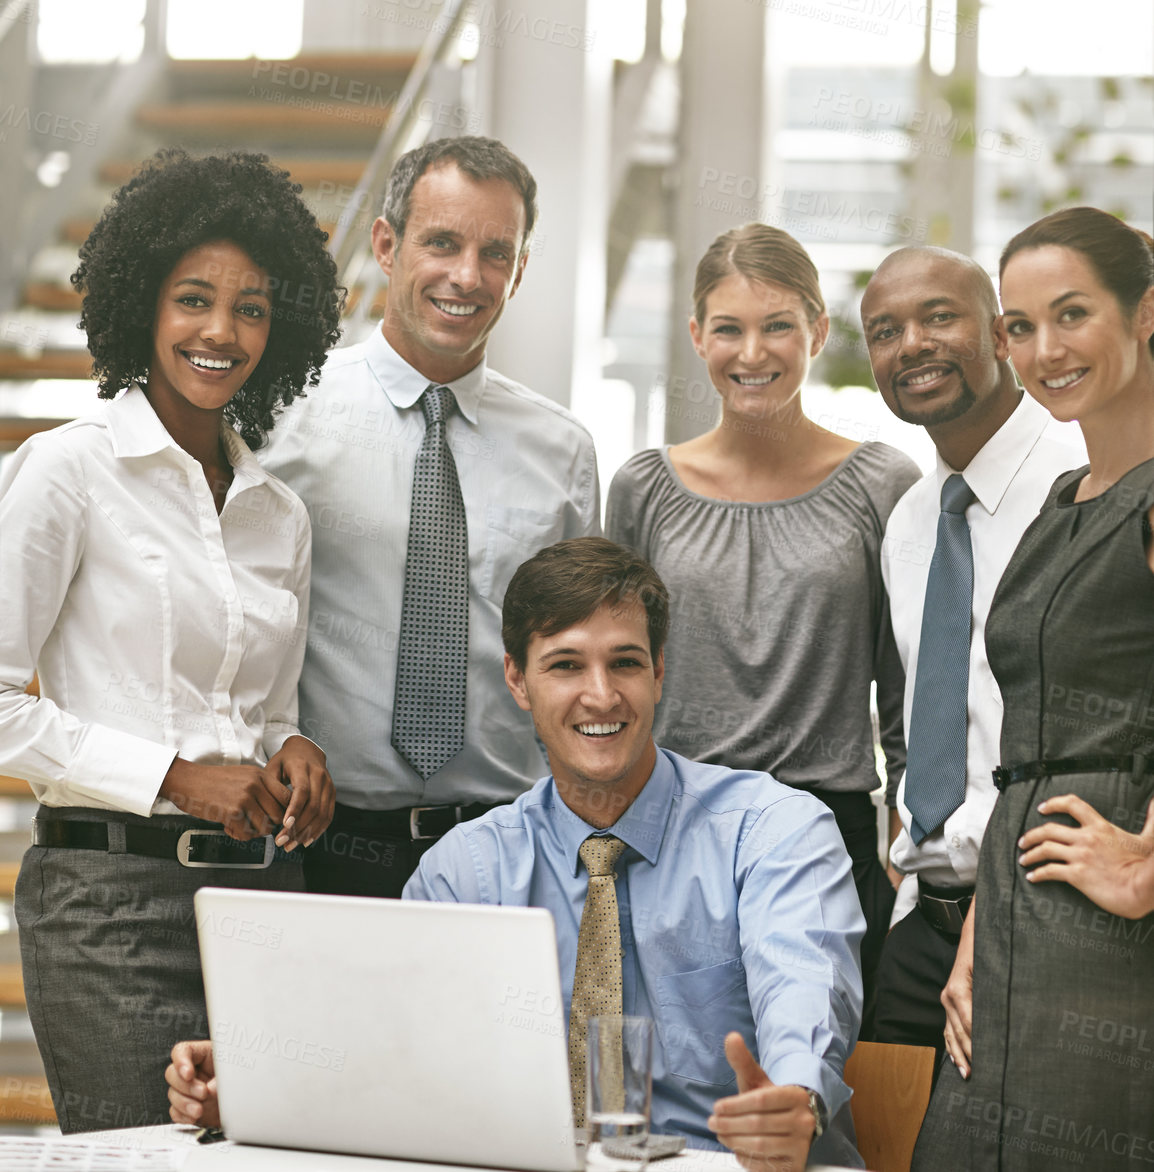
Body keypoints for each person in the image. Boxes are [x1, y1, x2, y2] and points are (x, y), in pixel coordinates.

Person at [167, 536, 866, 1171]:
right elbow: (401, 1059)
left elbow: (805, 981)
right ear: (517, 680)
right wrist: (260, 1087)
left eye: (625, 661)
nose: (601, 694)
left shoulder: (774, 829)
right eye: (566, 665)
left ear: (658, 671)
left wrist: (796, 1096)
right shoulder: (464, 869)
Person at [0, 149, 340, 1133]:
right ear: (142, 303)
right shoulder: (66, 473)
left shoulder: (280, 514)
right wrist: (175, 776)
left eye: (251, 309)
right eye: (194, 298)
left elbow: (262, 711)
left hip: (263, 897)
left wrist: (292, 749)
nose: (220, 332)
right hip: (109, 909)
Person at [262, 136, 599, 898]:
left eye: (495, 253)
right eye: (442, 243)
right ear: (387, 245)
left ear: (517, 272)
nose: (466, 276)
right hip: (323, 846)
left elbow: (575, 658)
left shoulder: (564, 452)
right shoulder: (284, 416)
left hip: (507, 853)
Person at [606, 223, 919, 1013]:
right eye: (729, 329)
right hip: (675, 827)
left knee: (812, 1078)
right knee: (675, 1075)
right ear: (695, 336)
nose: (754, 352)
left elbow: (907, 682)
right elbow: (609, 678)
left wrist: (907, 833)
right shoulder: (644, 488)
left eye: (778, 325)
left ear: (816, 329)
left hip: (830, 830)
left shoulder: (883, 483)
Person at [912, 208, 1154, 1171]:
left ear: (1145, 314)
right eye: (1019, 326)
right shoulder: (1065, 504)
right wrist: (980, 929)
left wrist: (1146, 867)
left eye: (1072, 315)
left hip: (1115, 944)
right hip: (1015, 925)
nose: (1044, 350)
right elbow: (1027, 751)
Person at [859, 245, 1084, 1061]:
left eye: (938, 317)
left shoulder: (1084, 482)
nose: (911, 343)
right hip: (923, 918)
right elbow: (918, 707)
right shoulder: (911, 520)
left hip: (1044, 916)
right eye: (885, 331)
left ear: (1000, 334)